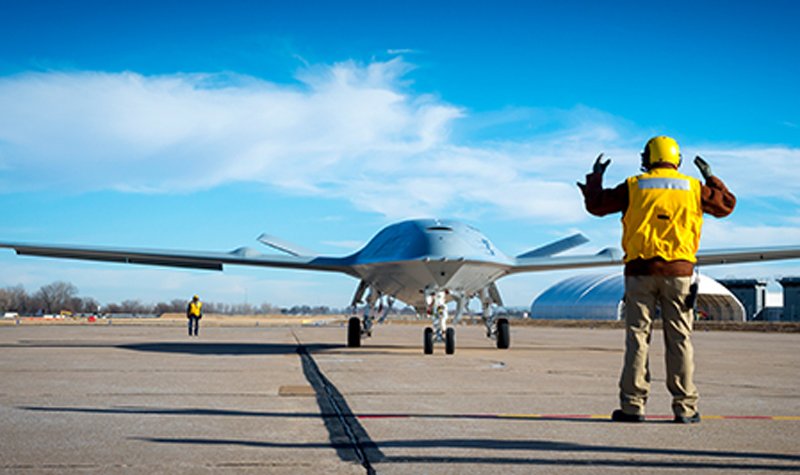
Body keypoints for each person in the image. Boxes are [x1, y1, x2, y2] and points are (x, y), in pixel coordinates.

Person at [577, 136, 736, 424]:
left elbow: (596, 206)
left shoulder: (634, 186)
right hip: (679, 274)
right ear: (677, 160)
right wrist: (711, 177)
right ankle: (685, 408)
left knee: (638, 339)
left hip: (640, 273)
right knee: (680, 340)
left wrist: (595, 177)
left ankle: (632, 407)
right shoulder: (693, 188)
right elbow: (726, 205)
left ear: (647, 158)